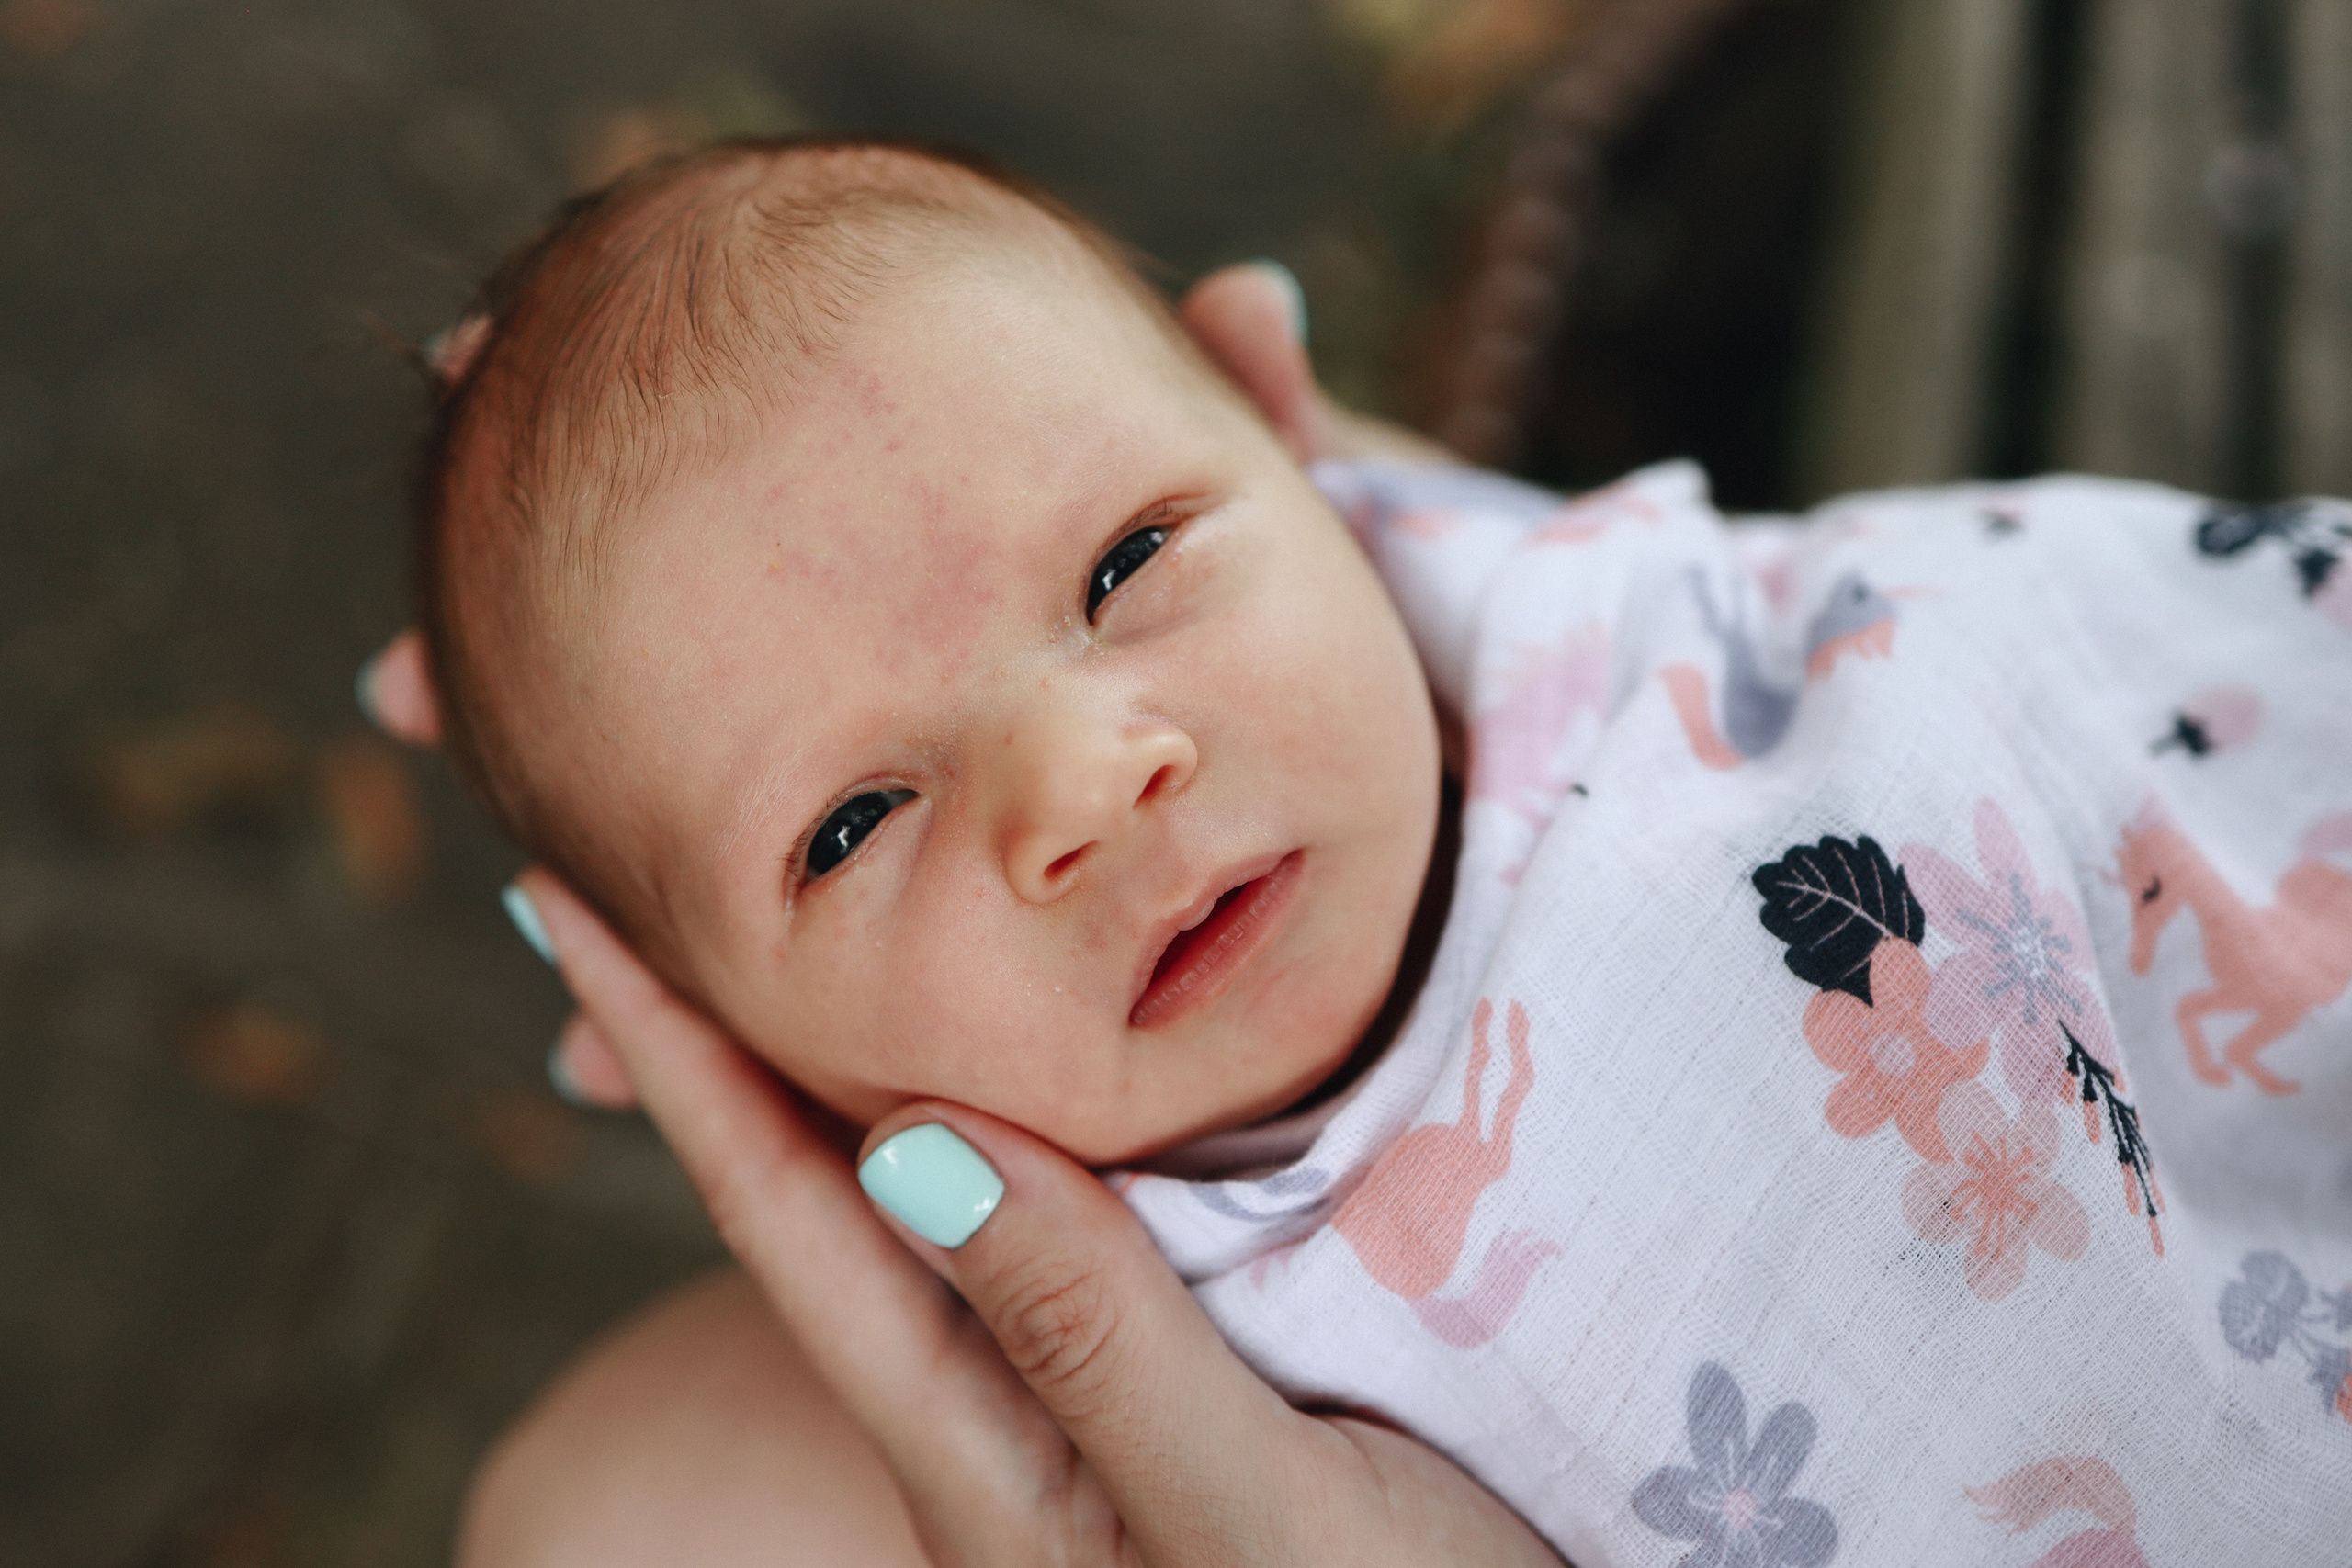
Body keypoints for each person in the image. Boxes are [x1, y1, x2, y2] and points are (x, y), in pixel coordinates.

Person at [366, 137, 2352, 1565]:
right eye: (852, 822)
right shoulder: (1171, 1412)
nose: (1084, 779)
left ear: (1291, 443)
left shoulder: (1623, 642)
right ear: (723, 1052)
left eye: (1130, 558)